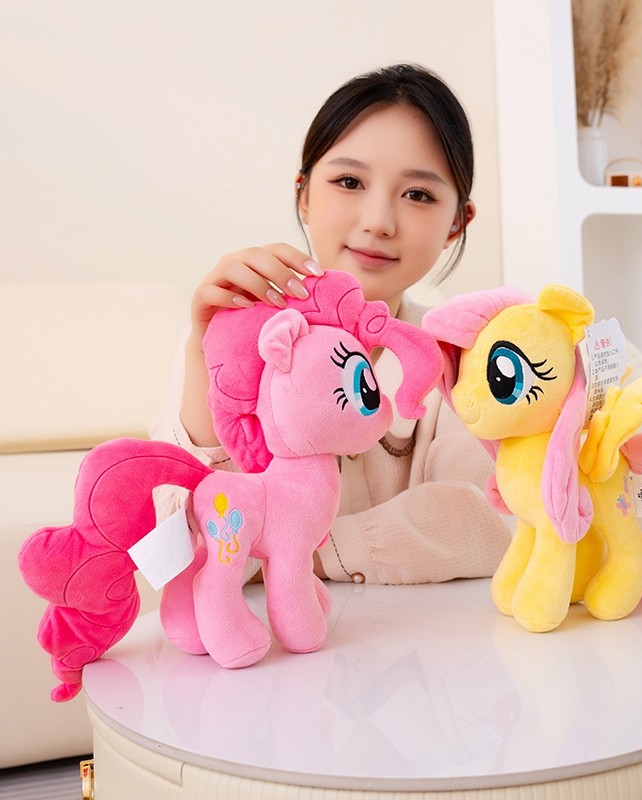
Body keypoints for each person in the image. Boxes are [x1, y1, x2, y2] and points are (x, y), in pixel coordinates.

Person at [150, 63, 512, 584]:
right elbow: (179, 544)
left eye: (418, 194)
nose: (378, 222)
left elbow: (484, 515)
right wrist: (203, 357)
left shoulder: (463, 351)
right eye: (349, 182)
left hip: (424, 631)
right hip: (259, 633)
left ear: (458, 221)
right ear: (303, 194)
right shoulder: (234, 332)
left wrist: (286, 552)